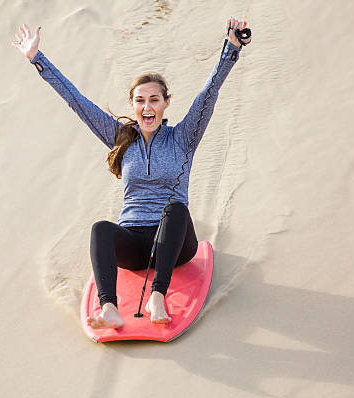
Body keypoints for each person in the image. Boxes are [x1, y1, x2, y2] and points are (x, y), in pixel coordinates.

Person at [13, 18, 247, 329]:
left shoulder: (184, 136)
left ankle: (158, 296)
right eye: (140, 100)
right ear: (133, 105)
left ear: (165, 103)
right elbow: (77, 101)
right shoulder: (121, 138)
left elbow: (209, 93)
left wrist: (230, 49)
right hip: (134, 243)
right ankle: (109, 307)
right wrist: (36, 59)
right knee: (101, 229)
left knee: (175, 209)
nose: (147, 106)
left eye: (154, 99)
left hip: (175, 244)